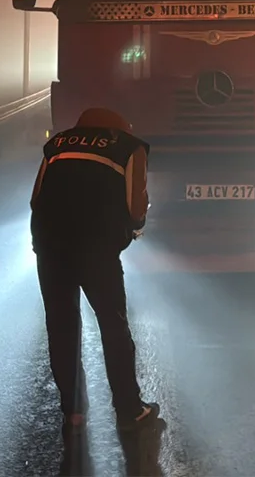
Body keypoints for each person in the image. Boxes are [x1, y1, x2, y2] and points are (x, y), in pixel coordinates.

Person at [29, 107, 161, 442]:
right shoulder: (130, 147)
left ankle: (73, 412)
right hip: (96, 248)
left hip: (50, 245)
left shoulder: (57, 145)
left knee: (61, 325)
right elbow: (135, 205)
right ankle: (129, 411)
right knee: (113, 325)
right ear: (120, 125)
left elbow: (36, 198)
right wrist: (135, 227)